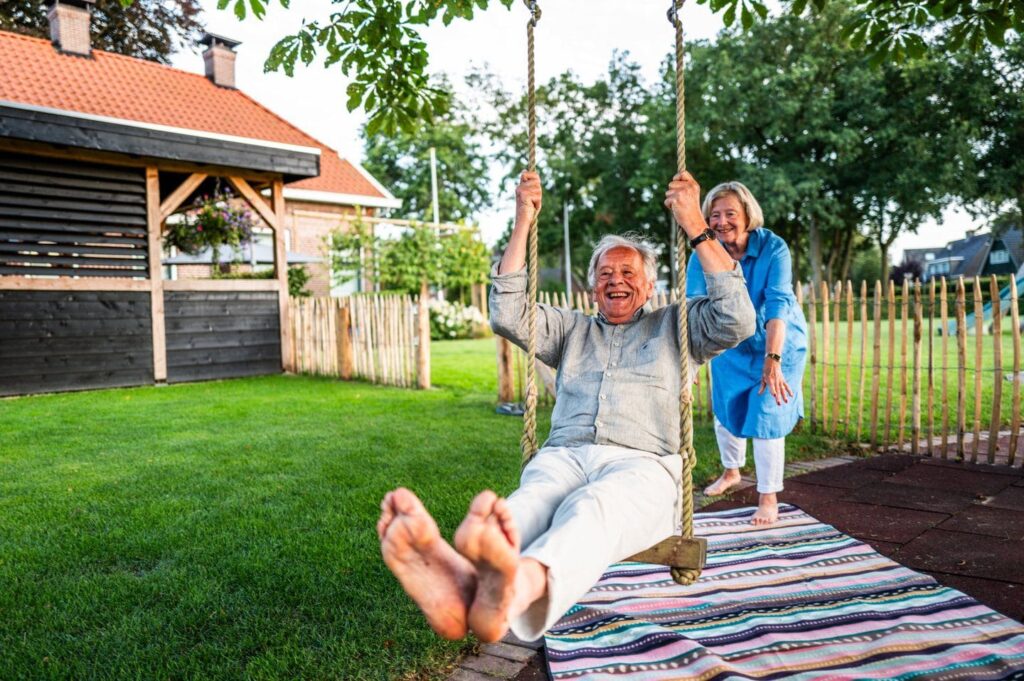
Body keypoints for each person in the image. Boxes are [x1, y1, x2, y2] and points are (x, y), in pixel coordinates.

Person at [377, 170, 755, 644]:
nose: (615, 281)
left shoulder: (678, 326)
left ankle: (513, 588)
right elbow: (507, 313)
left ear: (650, 283)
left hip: (644, 464)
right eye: (604, 274)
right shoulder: (571, 329)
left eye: (627, 273)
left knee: (593, 507)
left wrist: (694, 222)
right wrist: (522, 220)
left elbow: (738, 318)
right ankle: (467, 582)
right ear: (592, 285)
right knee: (529, 502)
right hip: (565, 454)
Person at [686, 181, 808, 526]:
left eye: (730, 214)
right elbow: (696, 306)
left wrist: (773, 360)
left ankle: (768, 498)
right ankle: (731, 471)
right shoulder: (703, 253)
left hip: (778, 339)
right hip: (731, 342)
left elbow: (778, 303)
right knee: (727, 407)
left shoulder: (773, 248)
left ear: (747, 215)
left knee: (767, 413)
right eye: (715, 215)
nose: (722, 222)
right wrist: (692, 362)